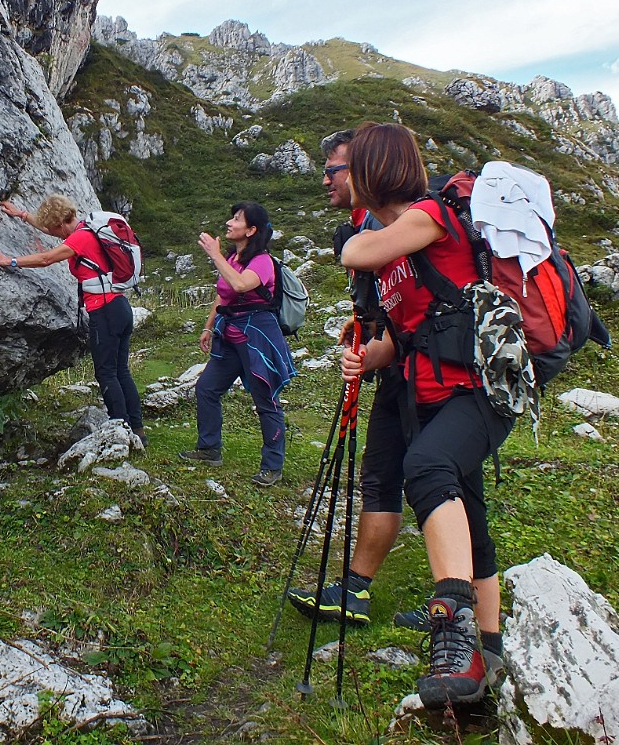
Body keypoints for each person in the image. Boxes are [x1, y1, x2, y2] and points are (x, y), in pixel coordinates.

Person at [336, 121, 512, 707]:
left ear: (373, 170)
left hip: (479, 392)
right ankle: (489, 652)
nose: (340, 176)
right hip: (435, 394)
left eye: (349, 166)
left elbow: (352, 249)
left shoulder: (428, 216)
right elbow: (404, 339)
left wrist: (358, 243)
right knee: (472, 516)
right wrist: (368, 357)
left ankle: (453, 625)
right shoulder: (397, 257)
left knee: (427, 466)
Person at [287, 129, 425, 629]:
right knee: (383, 474)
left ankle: (460, 609)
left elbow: (414, 309)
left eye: (334, 170)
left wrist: (378, 346)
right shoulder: (357, 227)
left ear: (367, 170)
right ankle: (356, 590)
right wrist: (367, 337)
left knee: (440, 483)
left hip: (430, 376)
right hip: (397, 368)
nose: (325, 179)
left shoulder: (392, 226)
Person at [0, 196, 144, 444]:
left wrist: (9, 261)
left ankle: (119, 430)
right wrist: (22, 215)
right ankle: (136, 429)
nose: (54, 233)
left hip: (105, 312)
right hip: (120, 307)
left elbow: (46, 258)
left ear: (61, 222)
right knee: (121, 370)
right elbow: (50, 229)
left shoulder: (79, 239)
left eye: (55, 228)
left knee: (106, 373)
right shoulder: (86, 229)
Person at [178, 202, 296, 487]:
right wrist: (208, 327)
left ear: (251, 230)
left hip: (257, 337)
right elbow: (224, 294)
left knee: (265, 400)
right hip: (230, 335)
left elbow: (242, 285)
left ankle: (272, 465)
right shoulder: (233, 258)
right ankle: (209, 448)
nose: (229, 223)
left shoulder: (262, 261)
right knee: (207, 388)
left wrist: (215, 255)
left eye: (237, 219)